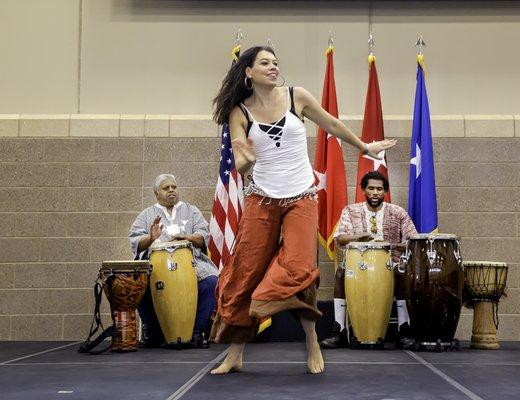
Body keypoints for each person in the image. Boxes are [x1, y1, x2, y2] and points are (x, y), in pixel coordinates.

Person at [209, 46, 396, 374]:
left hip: (301, 198)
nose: (273, 67)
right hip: (261, 200)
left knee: (299, 270)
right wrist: (246, 159)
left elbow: (333, 125)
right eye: (265, 63)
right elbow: (240, 159)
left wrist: (365, 147)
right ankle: (236, 353)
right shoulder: (239, 112)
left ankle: (310, 340)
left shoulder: (298, 97)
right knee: (243, 272)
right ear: (248, 72)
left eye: (275, 62)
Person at [319, 170, 418, 349]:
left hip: (391, 263)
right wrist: (358, 237)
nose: (375, 192)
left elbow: (413, 242)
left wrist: (392, 245)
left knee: (403, 274)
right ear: (364, 190)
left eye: (379, 189)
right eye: (371, 188)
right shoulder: (351, 210)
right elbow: (339, 238)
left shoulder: (398, 212)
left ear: (385, 191)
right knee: (341, 273)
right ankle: (338, 330)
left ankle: (404, 331)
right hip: (358, 264)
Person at [129, 174, 218, 349]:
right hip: (157, 267)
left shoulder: (191, 211)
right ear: (157, 193)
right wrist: (151, 237)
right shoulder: (146, 215)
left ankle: (197, 332)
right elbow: (136, 241)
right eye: (166, 188)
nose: (171, 190)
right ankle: (153, 332)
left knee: (211, 282)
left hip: (191, 263)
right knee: (136, 284)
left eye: (174, 187)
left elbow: (204, 237)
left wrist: (187, 236)